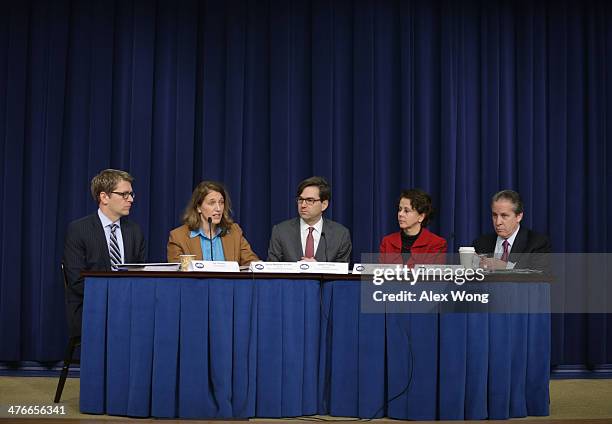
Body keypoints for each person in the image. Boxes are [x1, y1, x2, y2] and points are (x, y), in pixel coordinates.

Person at [63, 169, 146, 336]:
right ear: (104, 197)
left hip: (129, 307)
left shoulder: (135, 231)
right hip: (92, 307)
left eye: (131, 194)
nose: (130, 199)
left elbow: (141, 275)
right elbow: (77, 281)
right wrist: (114, 299)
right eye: (124, 194)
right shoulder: (79, 230)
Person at [167, 181, 259, 265]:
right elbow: (178, 275)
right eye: (212, 203)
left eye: (221, 202)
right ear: (198, 207)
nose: (218, 208)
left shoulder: (234, 232)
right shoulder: (178, 237)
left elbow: (251, 263)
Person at [267, 176, 352, 262]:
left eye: (310, 200)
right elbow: (271, 269)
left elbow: (342, 272)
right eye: (300, 199)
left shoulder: (341, 235)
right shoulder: (280, 231)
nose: (303, 205)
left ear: (324, 204)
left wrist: (318, 269)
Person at [473, 189, 551, 270]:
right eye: (495, 215)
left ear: (519, 217)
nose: (498, 222)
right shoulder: (480, 243)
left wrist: (506, 267)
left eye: (504, 216)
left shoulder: (537, 243)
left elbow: (540, 278)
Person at [379, 189, 447, 266]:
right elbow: (381, 274)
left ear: (421, 217)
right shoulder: (387, 242)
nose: (400, 214)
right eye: (400, 209)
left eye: (406, 211)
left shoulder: (437, 244)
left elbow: (433, 275)